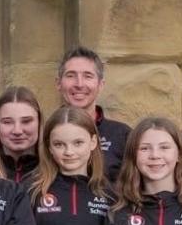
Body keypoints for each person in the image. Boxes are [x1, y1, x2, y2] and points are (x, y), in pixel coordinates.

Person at [54, 47, 133, 175]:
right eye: (71, 75)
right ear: (58, 83)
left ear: (100, 84)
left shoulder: (122, 136)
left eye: (88, 76)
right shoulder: (45, 134)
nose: (79, 84)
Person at [0, 87, 43, 179]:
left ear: (39, 122)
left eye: (26, 121)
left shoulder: (56, 173)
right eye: (7, 122)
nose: (17, 131)